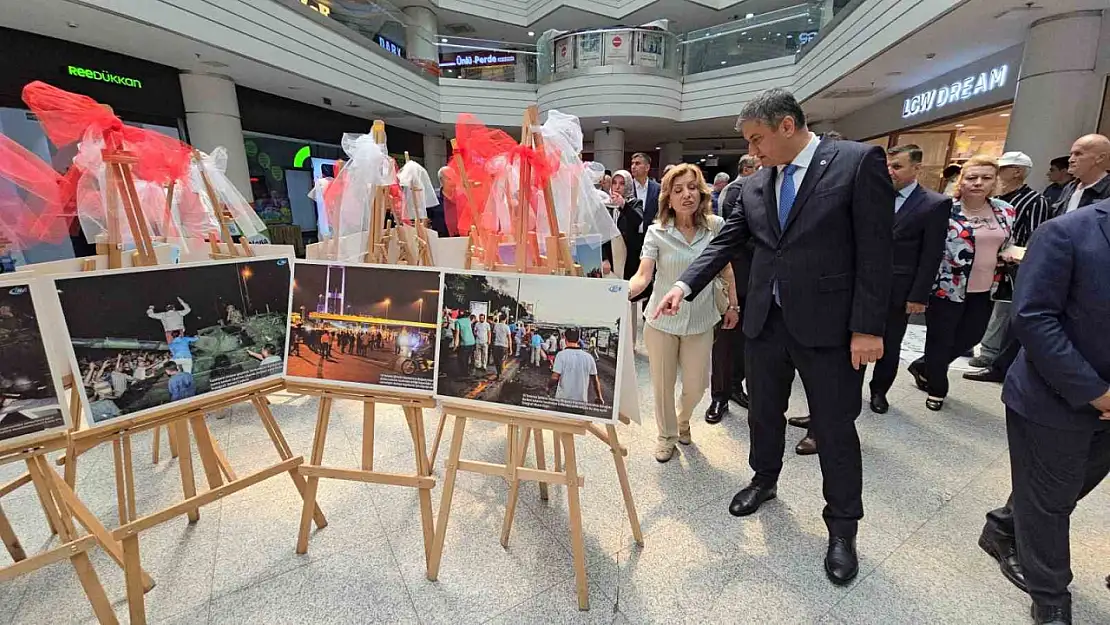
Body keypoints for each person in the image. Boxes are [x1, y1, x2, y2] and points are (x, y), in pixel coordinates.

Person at [654, 88, 894, 585]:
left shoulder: (855, 162)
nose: (753, 151)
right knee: (764, 411)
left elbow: (876, 249)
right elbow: (727, 241)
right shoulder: (758, 184)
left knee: (834, 425)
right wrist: (683, 284)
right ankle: (764, 479)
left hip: (831, 327)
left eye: (757, 139)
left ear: (787, 126)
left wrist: (868, 327)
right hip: (767, 321)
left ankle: (842, 525)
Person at [977, 199, 1110, 625]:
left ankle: (1003, 526)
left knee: (1069, 486)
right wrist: (1096, 392)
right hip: (1055, 395)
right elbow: (1033, 317)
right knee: (1052, 501)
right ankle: (1051, 594)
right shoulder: (1067, 232)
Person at [629, 163, 738, 463]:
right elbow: (643, 275)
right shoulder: (656, 232)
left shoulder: (715, 226)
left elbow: (726, 268)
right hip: (661, 322)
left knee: (697, 385)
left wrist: (733, 304)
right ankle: (666, 436)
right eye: (678, 190)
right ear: (668, 198)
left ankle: (682, 419)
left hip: (701, 319)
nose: (686, 194)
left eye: (692, 187)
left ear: (702, 192)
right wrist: (619, 293)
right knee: (662, 385)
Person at [907, 155, 1017, 411]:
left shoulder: (1005, 210)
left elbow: (1004, 241)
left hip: (986, 287)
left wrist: (1008, 252)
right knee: (940, 339)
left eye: (986, 178)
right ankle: (937, 389)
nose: (978, 183)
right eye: (972, 177)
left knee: (972, 336)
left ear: (995, 182)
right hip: (947, 285)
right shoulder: (945, 208)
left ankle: (925, 365)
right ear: (961, 181)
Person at [864, 144, 950, 414]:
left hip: (899, 288)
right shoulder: (870, 196)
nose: (890, 172)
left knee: (889, 344)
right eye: (887, 166)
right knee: (854, 341)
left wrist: (918, 295)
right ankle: (845, 394)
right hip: (863, 285)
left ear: (916, 168)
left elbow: (931, 254)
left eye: (897, 166)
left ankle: (879, 391)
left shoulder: (934, 204)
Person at [966, 152, 1052, 378]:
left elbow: (1035, 235)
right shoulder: (994, 201)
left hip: (1012, 266)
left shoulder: (1034, 201)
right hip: (981, 267)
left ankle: (990, 353)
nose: (998, 173)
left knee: (1002, 312)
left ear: (1018, 172)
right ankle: (974, 344)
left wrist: (1017, 255)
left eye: (1003, 169)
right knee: (980, 310)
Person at [705, 160, 755, 424]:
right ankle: (720, 395)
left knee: (748, 342)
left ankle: (737, 386)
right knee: (724, 343)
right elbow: (731, 238)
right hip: (735, 278)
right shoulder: (740, 190)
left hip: (764, 283)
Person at [1054, 134, 1110, 216]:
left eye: (1078, 154)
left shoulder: (1107, 190)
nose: (1070, 160)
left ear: (1100, 158)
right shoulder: (1070, 187)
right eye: (1071, 154)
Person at [549, 328, 603, 404]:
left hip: (563, 400)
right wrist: (599, 397)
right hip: (581, 402)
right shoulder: (589, 357)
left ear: (565, 339)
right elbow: (595, 380)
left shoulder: (561, 355)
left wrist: (548, 387)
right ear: (578, 340)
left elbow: (554, 377)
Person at [630, 152, 662, 235]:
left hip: (651, 235)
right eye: (632, 163)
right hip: (630, 236)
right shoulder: (627, 187)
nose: (633, 167)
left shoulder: (657, 188)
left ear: (647, 167)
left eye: (637, 164)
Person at [490, 314, 512, 379]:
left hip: (496, 345)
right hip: (504, 346)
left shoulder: (496, 326)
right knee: (502, 360)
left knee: (497, 360)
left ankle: (498, 373)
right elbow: (509, 338)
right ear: (506, 319)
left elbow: (493, 335)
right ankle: (500, 373)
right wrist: (510, 349)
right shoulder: (507, 327)